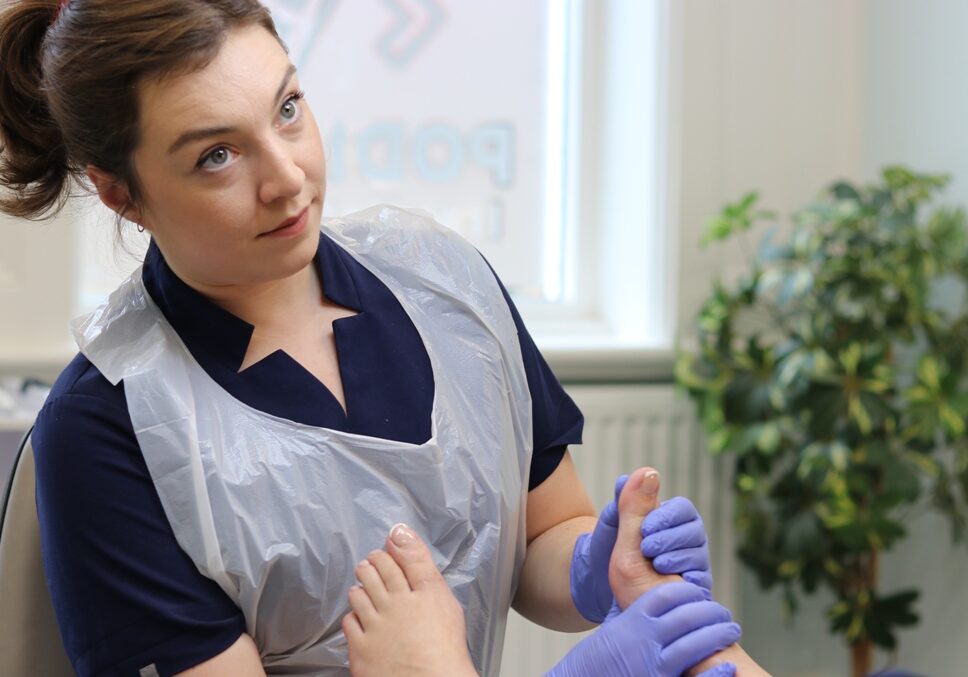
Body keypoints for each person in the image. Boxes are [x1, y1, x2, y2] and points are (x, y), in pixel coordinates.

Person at [1, 1, 739, 675]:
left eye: (288, 109)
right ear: (120, 192)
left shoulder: (446, 285)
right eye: (216, 156)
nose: (287, 178)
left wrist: (591, 561)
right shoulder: (108, 428)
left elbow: (538, 532)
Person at [344, 468, 771, 677]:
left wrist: (586, 564)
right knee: (711, 656)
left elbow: (538, 526)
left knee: (707, 656)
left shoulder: (468, 304)